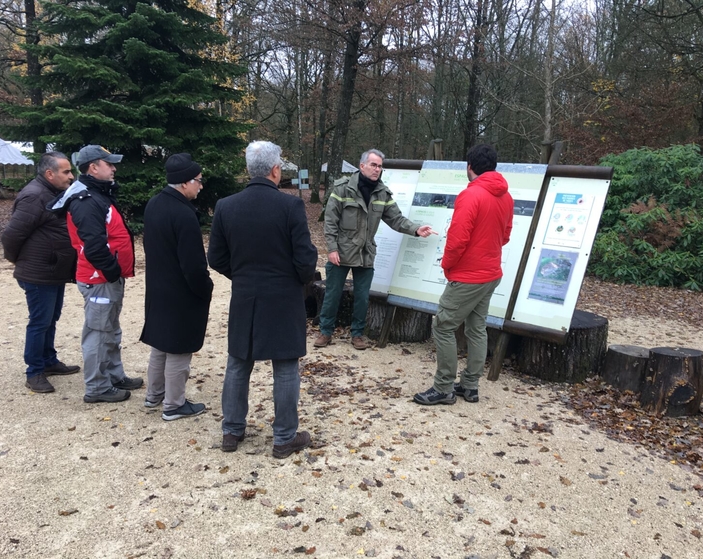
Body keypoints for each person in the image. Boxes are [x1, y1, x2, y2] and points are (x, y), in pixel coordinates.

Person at [208, 140, 317, 458]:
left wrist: (242, 276)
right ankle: (283, 438)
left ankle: (232, 430)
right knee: (284, 367)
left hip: (246, 296)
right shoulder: (290, 206)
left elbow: (216, 257)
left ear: (248, 169)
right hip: (283, 298)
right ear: (275, 169)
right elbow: (305, 261)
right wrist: (294, 280)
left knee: (238, 363)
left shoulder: (226, 206)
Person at [413, 144, 514, 405]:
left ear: (469, 166)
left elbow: (457, 239)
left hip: (469, 275)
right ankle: (470, 385)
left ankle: (444, 387)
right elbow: (505, 236)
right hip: (491, 272)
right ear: (493, 166)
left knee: (443, 325)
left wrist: (448, 265)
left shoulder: (471, 196)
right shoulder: (506, 197)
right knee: (477, 327)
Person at [315, 149, 435, 350]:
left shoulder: (382, 193)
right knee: (333, 294)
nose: (377, 169)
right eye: (373, 165)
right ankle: (325, 331)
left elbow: (396, 219)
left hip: (365, 252)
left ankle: (357, 334)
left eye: (380, 166)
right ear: (362, 166)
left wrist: (415, 229)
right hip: (342, 251)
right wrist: (332, 248)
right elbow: (330, 221)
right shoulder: (343, 189)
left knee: (362, 296)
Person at [50, 145, 143, 403]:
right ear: (93, 167)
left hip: (105, 276)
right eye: (109, 164)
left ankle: (113, 375)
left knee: (110, 328)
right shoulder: (87, 200)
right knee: (99, 332)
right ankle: (97, 387)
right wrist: (112, 271)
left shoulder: (97, 195)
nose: (113, 168)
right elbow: (93, 245)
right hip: (99, 278)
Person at [140, 153, 213, 421]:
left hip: (158, 286)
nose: (200, 185)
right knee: (180, 348)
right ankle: (173, 404)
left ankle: (154, 395)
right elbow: (193, 265)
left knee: (160, 344)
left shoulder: (154, 204)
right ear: (184, 183)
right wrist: (205, 288)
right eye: (198, 180)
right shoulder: (184, 214)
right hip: (180, 292)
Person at [1, 152, 81, 393]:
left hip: (53, 270)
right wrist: (20, 261)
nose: (71, 176)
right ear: (50, 174)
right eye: (66, 172)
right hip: (38, 272)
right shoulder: (34, 196)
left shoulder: (53, 193)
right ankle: (34, 371)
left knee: (51, 318)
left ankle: (48, 360)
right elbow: (11, 235)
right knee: (39, 322)